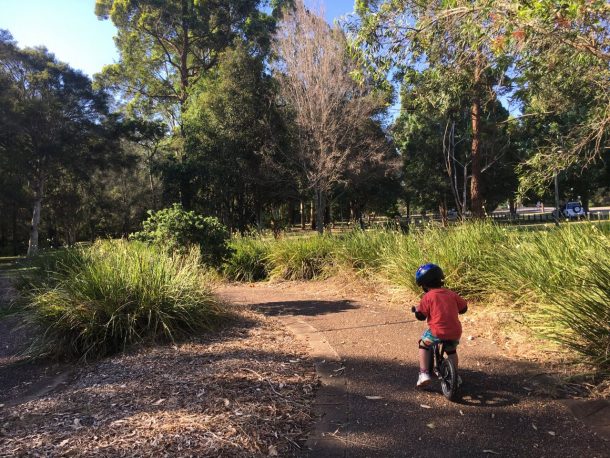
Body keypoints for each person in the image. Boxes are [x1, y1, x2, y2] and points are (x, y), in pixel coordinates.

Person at [411, 263, 468, 388]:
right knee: (451, 351)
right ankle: (455, 375)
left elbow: (421, 315)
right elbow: (464, 308)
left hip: (437, 332)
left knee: (424, 344)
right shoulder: (451, 294)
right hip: (454, 332)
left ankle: (424, 373)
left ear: (424, 285)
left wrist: (417, 311)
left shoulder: (428, 297)